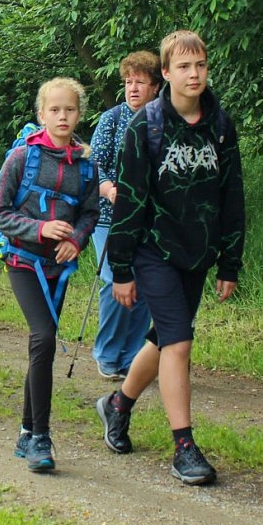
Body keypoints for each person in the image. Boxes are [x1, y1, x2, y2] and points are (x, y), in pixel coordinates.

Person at [97, 31, 244, 486]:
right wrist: (121, 268)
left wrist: (230, 261)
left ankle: (117, 405)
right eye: (183, 66)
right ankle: (184, 447)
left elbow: (232, 196)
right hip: (152, 250)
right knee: (179, 342)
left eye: (200, 65)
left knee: (163, 338)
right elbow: (130, 201)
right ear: (166, 73)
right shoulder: (147, 125)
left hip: (196, 253)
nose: (193, 74)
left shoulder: (220, 125)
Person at [0, 78, 97, 473]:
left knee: (43, 347)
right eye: (55, 110)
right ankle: (41, 437)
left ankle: (25, 432)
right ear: (41, 114)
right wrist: (40, 230)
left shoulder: (86, 164)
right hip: (22, 260)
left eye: (69, 109)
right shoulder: (22, 158)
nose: (62, 116)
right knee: (44, 336)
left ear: (79, 114)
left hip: (58, 267)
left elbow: (90, 213)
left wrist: (77, 241)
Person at [88, 52, 160, 379]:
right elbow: (94, 165)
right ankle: (107, 353)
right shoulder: (112, 119)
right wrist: (109, 190)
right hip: (109, 217)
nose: (132, 88)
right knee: (114, 280)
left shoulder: (164, 121)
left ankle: (131, 357)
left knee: (143, 284)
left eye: (140, 82)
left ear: (155, 86)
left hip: (149, 220)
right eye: (128, 82)